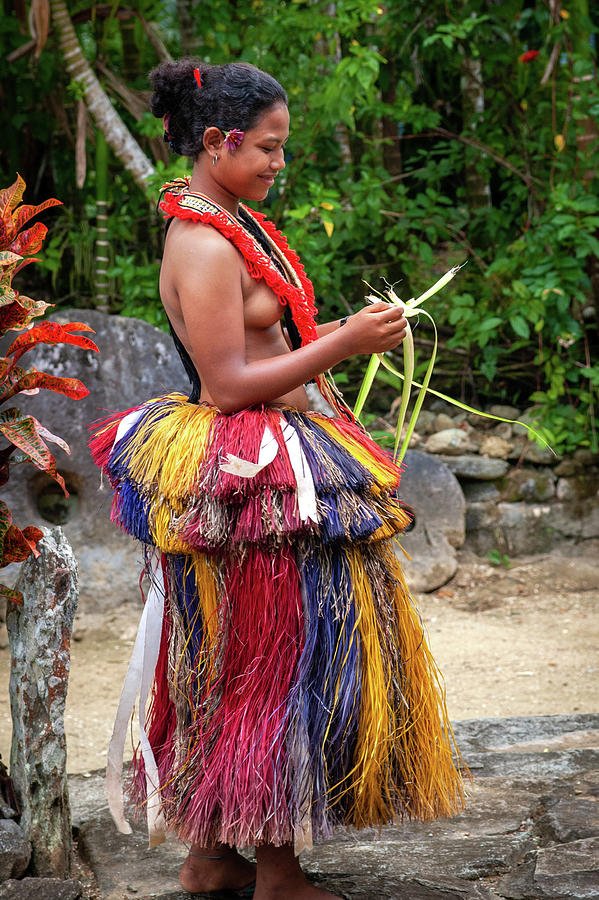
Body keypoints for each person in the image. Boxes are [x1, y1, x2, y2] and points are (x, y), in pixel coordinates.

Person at [90, 59, 464, 900]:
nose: (277, 164)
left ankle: (211, 858)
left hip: (277, 453)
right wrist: (343, 347)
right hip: (248, 472)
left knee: (246, 657)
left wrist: (347, 328)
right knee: (273, 656)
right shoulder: (199, 241)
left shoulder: (233, 223)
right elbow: (225, 382)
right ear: (218, 142)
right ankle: (279, 873)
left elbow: (273, 342)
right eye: (267, 148)